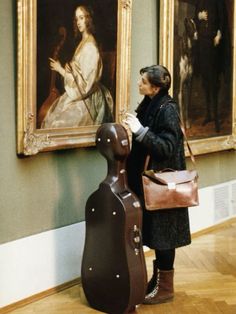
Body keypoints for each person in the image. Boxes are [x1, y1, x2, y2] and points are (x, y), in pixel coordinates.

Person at [123, 65, 191, 304]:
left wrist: (140, 131)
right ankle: (159, 280)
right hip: (150, 181)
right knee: (156, 234)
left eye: (142, 81)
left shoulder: (167, 109)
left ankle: (165, 288)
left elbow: (168, 147)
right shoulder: (150, 104)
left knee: (163, 236)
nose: (138, 84)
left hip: (163, 183)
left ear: (155, 86)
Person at [41, 5, 113, 129]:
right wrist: (70, 68)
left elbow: (84, 86)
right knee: (52, 117)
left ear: (89, 20)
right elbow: (79, 70)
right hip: (79, 92)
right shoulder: (83, 42)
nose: (79, 22)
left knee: (58, 124)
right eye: (76, 19)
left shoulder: (90, 47)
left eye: (82, 18)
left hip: (87, 97)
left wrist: (60, 70)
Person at [193, 0, 226, 132]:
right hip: (202, 43)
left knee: (214, 82)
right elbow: (194, 20)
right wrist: (198, 17)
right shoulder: (200, 2)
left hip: (213, 44)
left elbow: (222, 19)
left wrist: (219, 34)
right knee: (205, 81)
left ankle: (217, 118)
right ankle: (208, 115)